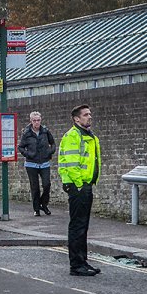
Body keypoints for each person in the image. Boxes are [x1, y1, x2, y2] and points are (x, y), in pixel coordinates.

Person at [58, 104, 101, 276]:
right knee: (77, 226)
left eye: (90, 114)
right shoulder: (72, 136)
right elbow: (71, 164)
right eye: (85, 115)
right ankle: (76, 265)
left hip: (85, 185)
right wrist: (80, 184)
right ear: (76, 119)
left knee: (83, 226)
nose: (89, 117)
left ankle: (82, 261)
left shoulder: (89, 136)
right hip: (78, 187)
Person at [17, 111, 56, 216]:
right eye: (34, 120)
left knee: (47, 184)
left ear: (41, 120)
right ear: (31, 121)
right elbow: (20, 147)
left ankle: (44, 204)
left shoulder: (45, 131)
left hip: (44, 163)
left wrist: (50, 152)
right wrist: (28, 154)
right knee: (35, 187)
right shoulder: (27, 133)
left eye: (38, 120)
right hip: (31, 164)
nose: (36, 122)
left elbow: (53, 143)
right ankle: (36, 209)